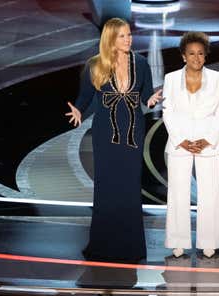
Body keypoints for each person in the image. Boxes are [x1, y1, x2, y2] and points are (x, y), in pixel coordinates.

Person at [65, 17, 162, 262]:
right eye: (122, 36)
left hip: (133, 134)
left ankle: (130, 247)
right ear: (110, 38)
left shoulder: (140, 64)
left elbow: (146, 94)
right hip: (105, 134)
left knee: (129, 188)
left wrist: (150, 100)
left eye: (129, 34)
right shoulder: (95, 65)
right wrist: (78, 109)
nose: (128, 39)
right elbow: (85, 96)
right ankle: (103, 245)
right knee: (107, 188)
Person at [161, 31, 219, 258]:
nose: (196, 58)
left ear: (206, 56)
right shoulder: (171, 79)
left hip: (208, 144)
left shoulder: (218, 78)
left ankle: (210, 241)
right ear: (184, 56)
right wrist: (182, 140)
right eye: (191, 53)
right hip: (179, 144)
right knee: (177, 192)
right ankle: (177, 241)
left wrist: (208, 139)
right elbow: (168, 112)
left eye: (201, 54)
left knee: (210, 193)